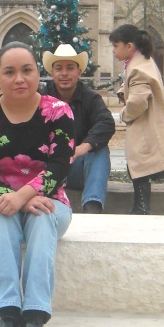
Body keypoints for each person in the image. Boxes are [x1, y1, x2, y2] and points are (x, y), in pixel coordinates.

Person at [0, 41, 75, 327]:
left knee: (41, 219)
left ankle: (35, 317)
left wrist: (23, 196)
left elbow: (60, 166)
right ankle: (9, 314)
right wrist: (13, 199)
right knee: (3, 216)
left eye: (26, 70)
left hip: (51, 202)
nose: (19, 79)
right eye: (9, 72)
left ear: (38, 73)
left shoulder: (57, 112)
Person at [109, 24, 164, 215]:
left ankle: (141, 209)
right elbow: (136, 88)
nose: (113, 50)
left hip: (145, 127)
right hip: (150, 125)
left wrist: (123, 114)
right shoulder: (140, 62)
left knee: (139, 169)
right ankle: (141, 207)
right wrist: (123, 91)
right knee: (139, 168)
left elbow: (138, 101)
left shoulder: (137, 67)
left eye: (116, 45)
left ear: (129, 46)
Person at [42, 43, 115, 214]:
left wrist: (84, 147)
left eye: (70, 68)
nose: (64, 73)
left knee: (99, 150)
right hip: (48, 169)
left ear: (79, 72)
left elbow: (106, 122)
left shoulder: (91, 98)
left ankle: (92, 207)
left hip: (76, 168)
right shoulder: (41, 99)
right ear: (52, 73)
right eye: (59, 68)